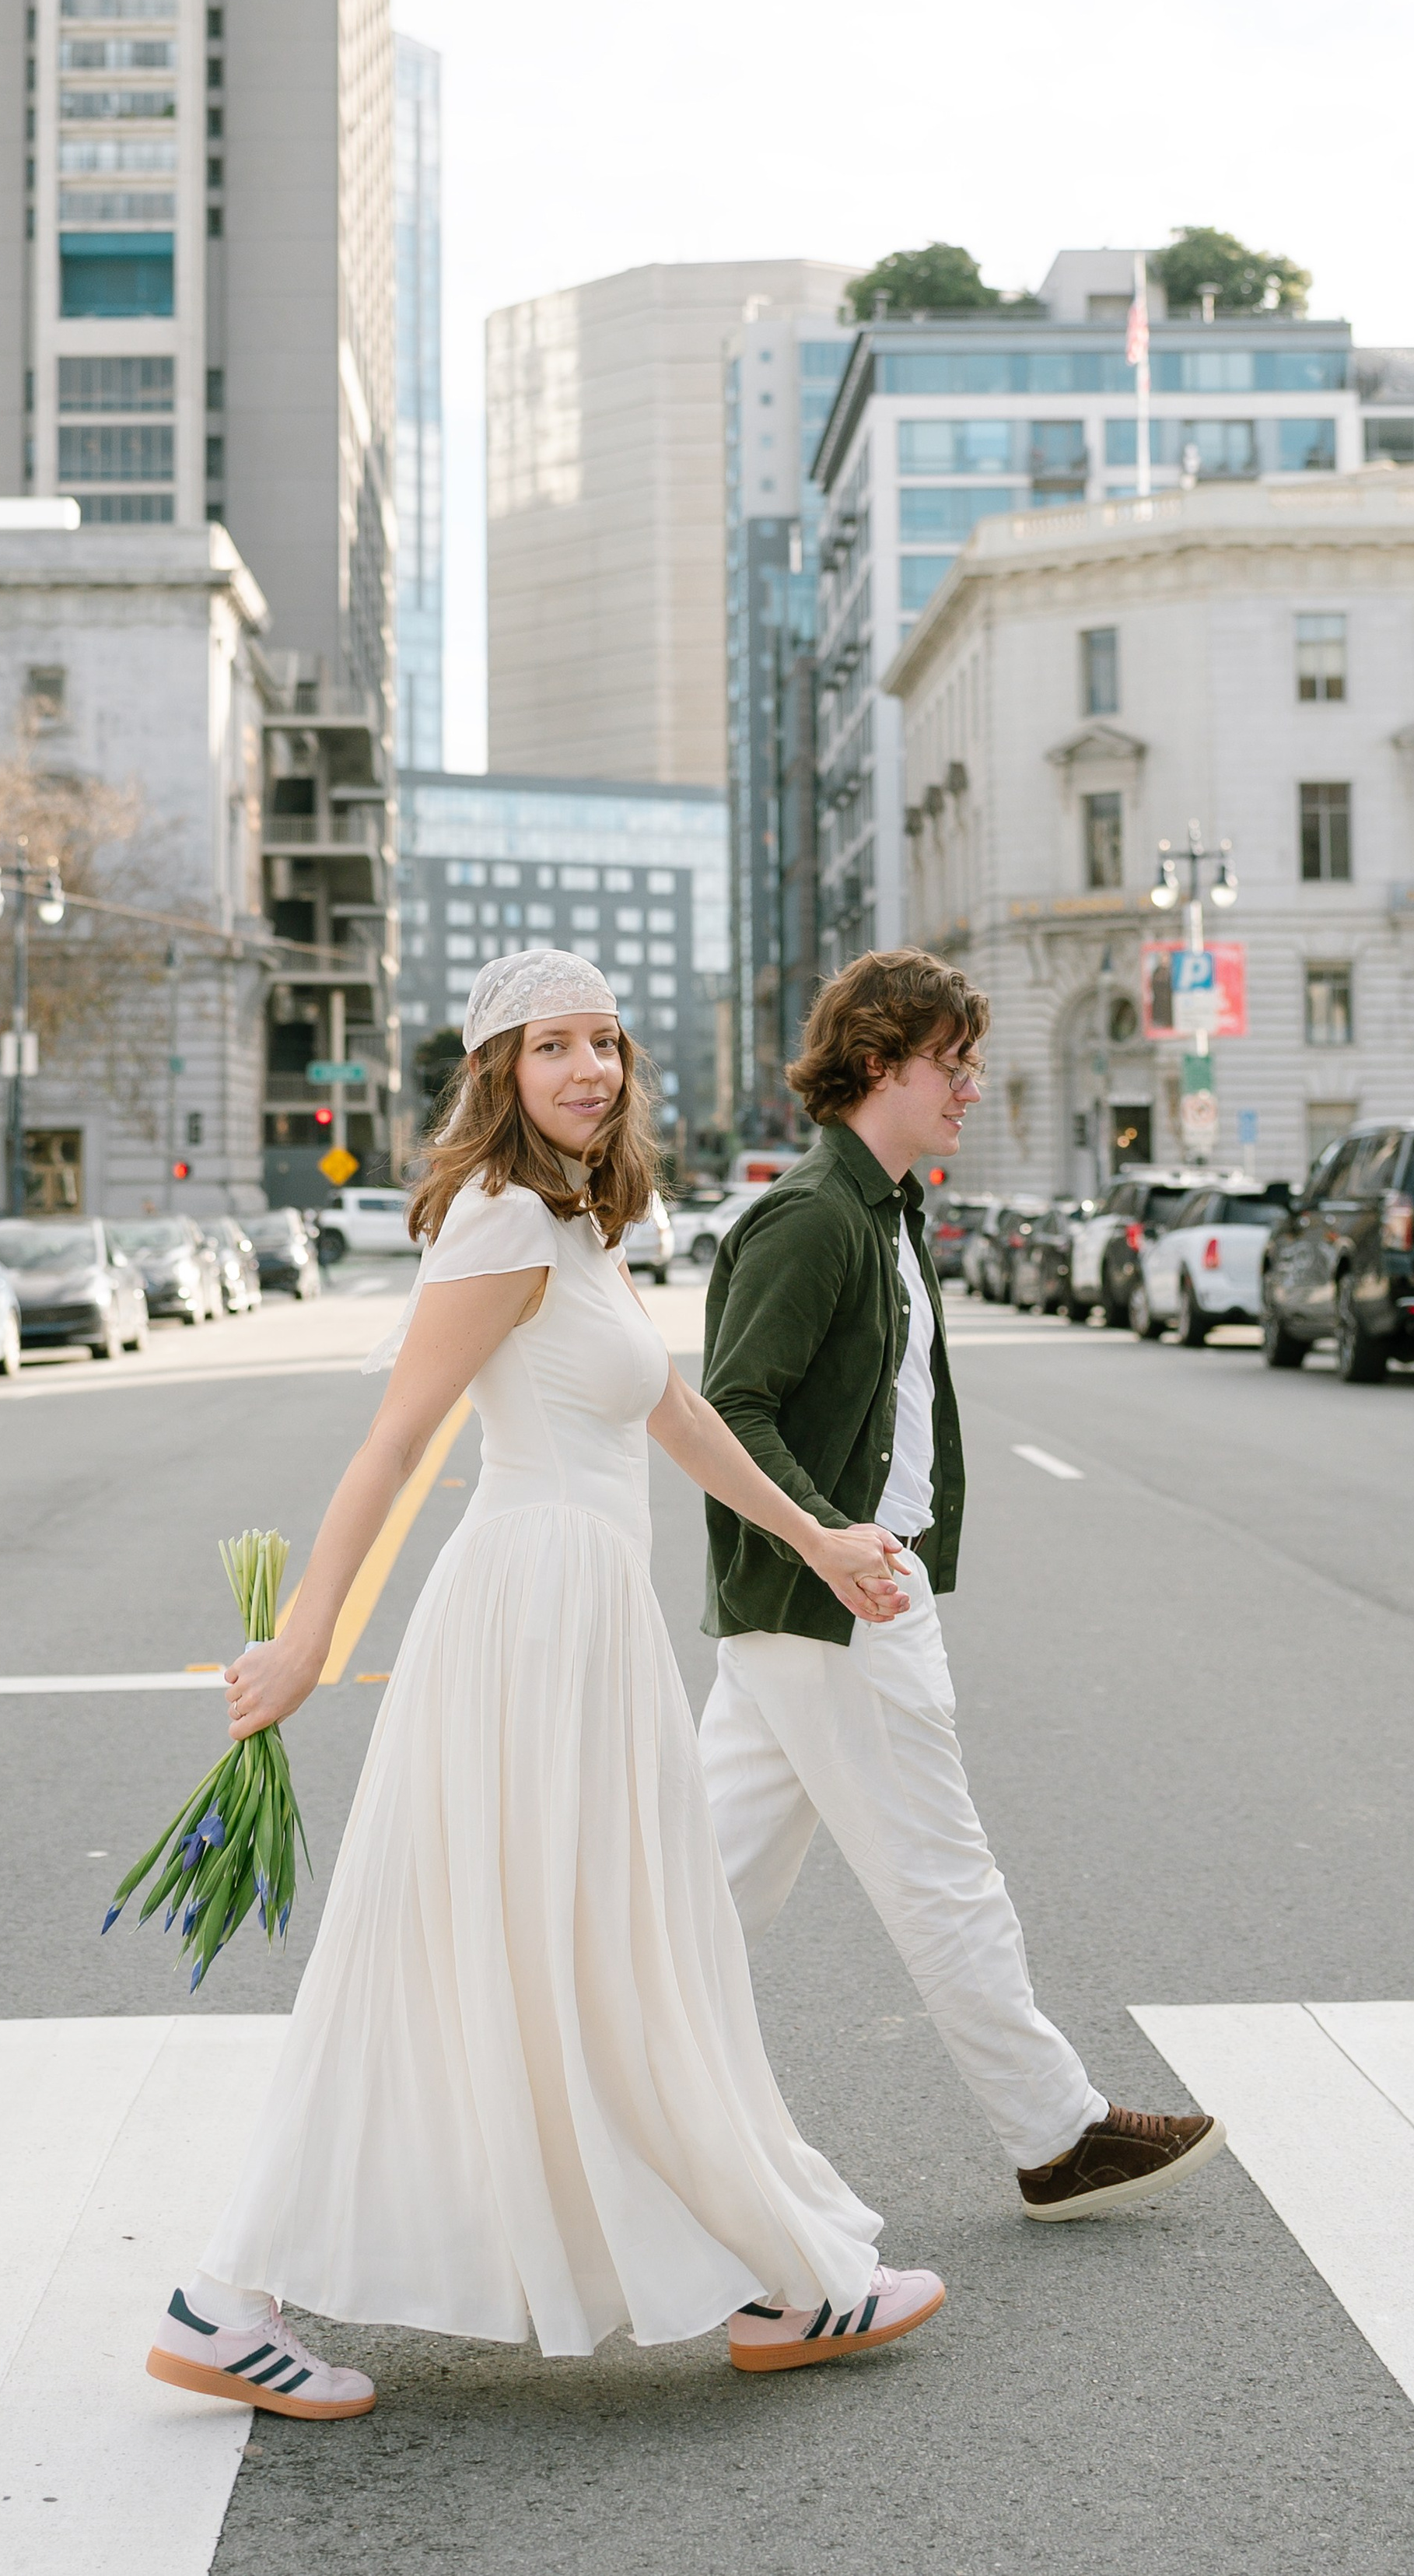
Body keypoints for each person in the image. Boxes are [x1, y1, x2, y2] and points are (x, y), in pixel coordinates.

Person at [145, 950, 946, 2420]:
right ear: (497, 1073)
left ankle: (769, 2270)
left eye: (607, 1043)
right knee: (544, 1947)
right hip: (522, 1622)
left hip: (585, 1622)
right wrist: (311, 1637)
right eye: (551, 1047)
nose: (590, 1070)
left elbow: (681, 1415)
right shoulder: (504, 1221)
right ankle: (227, 2298)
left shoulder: (580, 1224)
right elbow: (396, 1442)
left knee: (609, 1948)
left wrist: (819, 1539)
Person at [698, 948, 1225, 2224]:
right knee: (943, 1875)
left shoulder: (881, 1208)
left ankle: (568, 2075)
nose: (971, 1090)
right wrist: (837, 1538)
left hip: (829, 1603)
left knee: (694, 1894)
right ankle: (1058, 2134)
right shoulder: (815, 1216)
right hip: (840, 1604)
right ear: (881, 1061)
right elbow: (730, 1412)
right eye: (955, 1065)